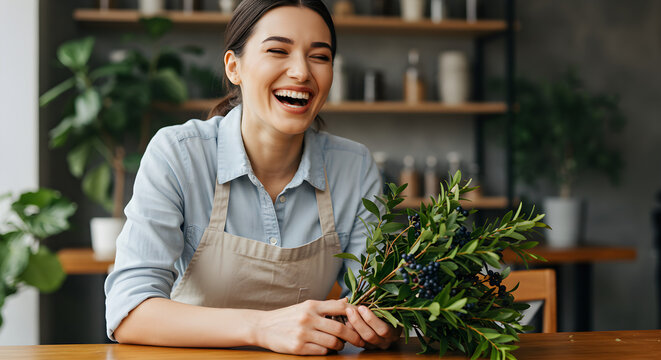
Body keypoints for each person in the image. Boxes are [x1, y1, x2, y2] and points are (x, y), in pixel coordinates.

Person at [104, 0, 400, 355]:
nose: (302, 73)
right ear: (234, 67)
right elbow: (129, 312)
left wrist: (382, 325)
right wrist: (262, 328)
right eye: (278, 50)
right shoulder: (179, 154)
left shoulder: (354, 167)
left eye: (319, 57)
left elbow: (376, 298)